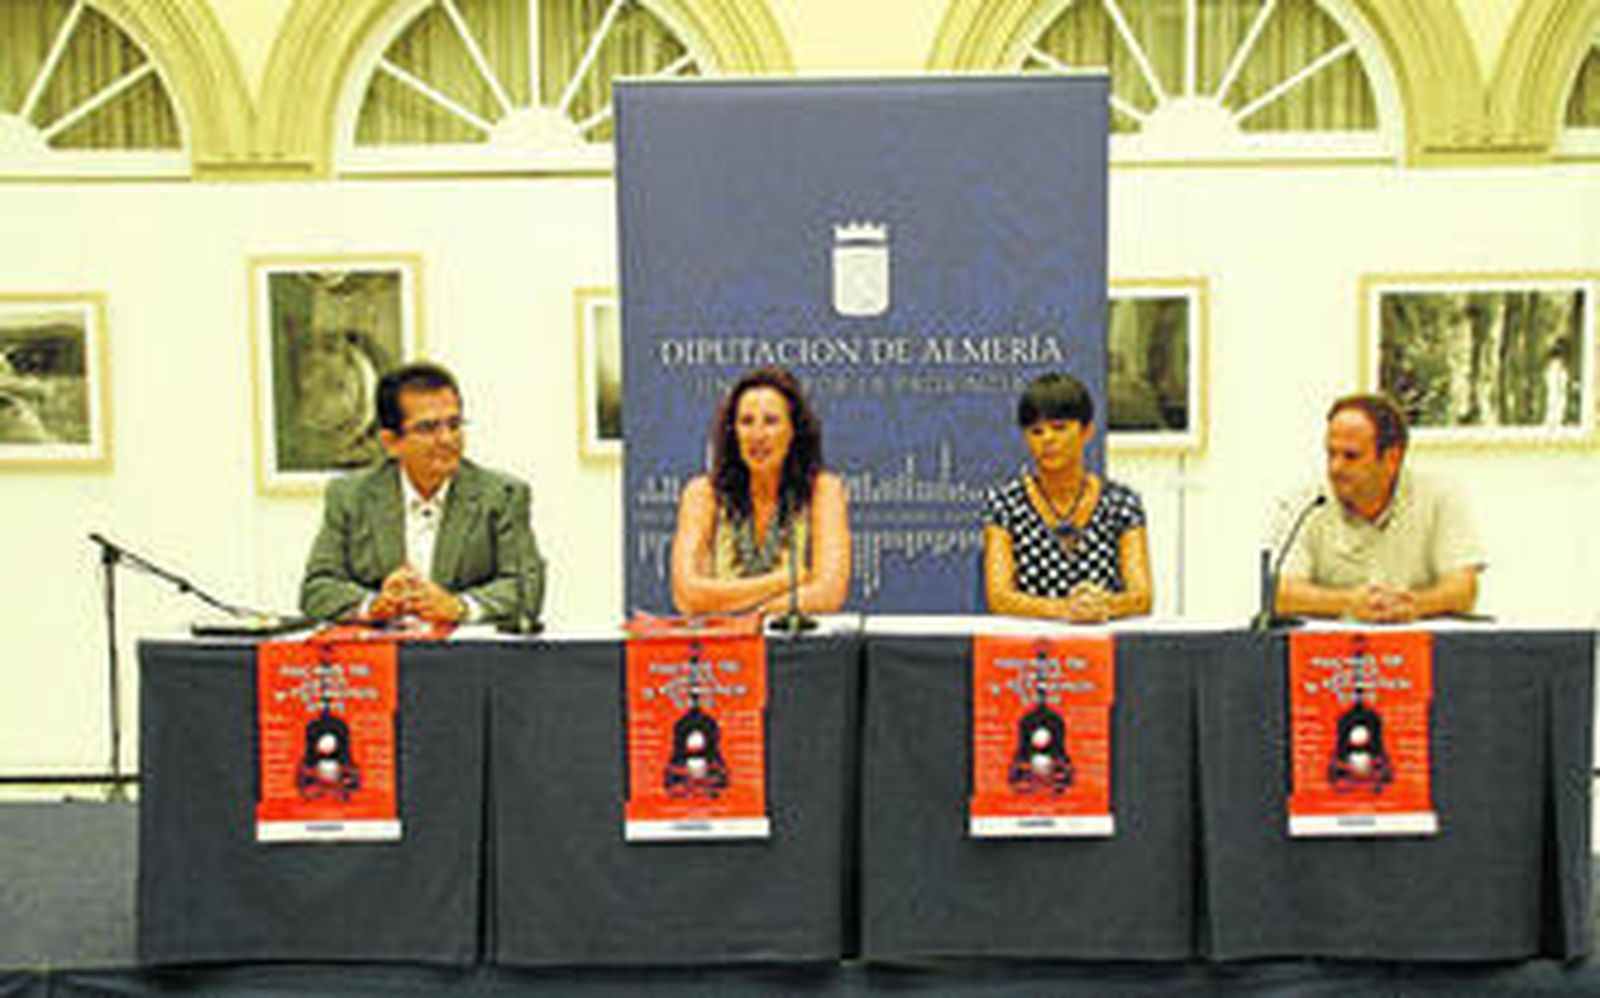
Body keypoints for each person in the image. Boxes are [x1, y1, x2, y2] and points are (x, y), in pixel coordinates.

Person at [301, 362, 545, 624]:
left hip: (467, 658)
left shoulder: (502, 496)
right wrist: (374, 605)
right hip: (384, 658)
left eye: (454, 424)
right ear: (391, 442)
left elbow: (526, 588)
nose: (447, 439)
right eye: (429, 428)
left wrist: (459, 607)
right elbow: (316, 589)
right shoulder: (351, 496)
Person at [1275, 393, 1483, 622]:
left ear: (1392, 459)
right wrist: (1347, 603)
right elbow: (1280, 593)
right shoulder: (1306, 503)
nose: (1335, 468)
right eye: (1331, 453)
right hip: (1329, 653)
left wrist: (1414, 605)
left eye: (1350, 456)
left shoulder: (1439, 496)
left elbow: (1464, 591)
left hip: (1420, 648)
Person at [670, 367, 850, 615]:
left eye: (771, 421)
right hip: (725, 651)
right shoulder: (703, 494)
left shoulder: (823, 490)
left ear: (793, 431)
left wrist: (748, 615)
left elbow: (828, 594)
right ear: (733, 433)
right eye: (746, 422)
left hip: (797, 648)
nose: (758, 435)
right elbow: (688, 596)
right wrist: (787, 580)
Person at [983, 372, 1152, 622]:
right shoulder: (1004, 505)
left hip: (1100, 646)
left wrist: (1105, 606)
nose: (1048, 439)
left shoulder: (1122, 504)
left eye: (1060, 428)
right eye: (1036, 431)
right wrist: (1065, 610)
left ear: (1087, 431)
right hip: (1028, 651)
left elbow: (1142, 597)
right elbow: (999, 597)